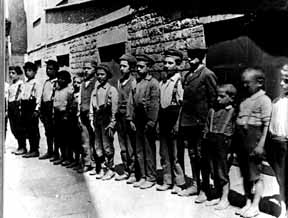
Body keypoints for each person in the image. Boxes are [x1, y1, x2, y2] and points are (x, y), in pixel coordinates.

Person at [178, 42, 218, 196]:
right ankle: (196, 185)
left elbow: (214, 101)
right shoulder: (188, 75)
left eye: (193, 56)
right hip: (189, 122)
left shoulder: (207, 74)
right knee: (193, 155)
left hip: (202, 123)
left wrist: (210, 124)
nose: (189, 59)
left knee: (203, 156)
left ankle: (206, 188)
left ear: (201, 57)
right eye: (189, 56)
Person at [235, 67, 272, 218]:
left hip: (254, 139)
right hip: (242, 139)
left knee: (255, 175)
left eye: (247, 83)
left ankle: (256, 205)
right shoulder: (245, 100)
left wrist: (261, 145)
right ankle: (248, 202)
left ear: (259, 83)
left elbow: (266, 125)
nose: (244, 86)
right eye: (243, 83)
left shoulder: (264, 100)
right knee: (245, 174)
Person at [196, 84, 237, 209]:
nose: (218, 99)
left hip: (224, 146)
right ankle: (218, 195)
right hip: (210, 144)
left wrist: (233, 151)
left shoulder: (233, 112)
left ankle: (225, 198)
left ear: (231, 98)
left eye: (222, 96)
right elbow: (205, 129)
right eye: (217, 96)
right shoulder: (212, 111)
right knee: (213, 171)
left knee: (222, 172)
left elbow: (236, 133)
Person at [127, 54, 160, 189]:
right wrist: (130, 118)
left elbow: (154, 104)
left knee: (148, 150)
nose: (138, 69)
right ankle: (143, 175)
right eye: (137, 67)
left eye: (142, 67)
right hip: (137, 119)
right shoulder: (136, 82)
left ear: (149, 67)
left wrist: (152, 121)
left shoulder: (153, 83)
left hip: (147, 120)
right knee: (139, 149)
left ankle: (151, 177)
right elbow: (131, 102)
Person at [156, 49, 186, 193]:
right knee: (164, 153)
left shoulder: (178, 81)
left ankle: (179, 182)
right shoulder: (163, 81)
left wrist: (177, 124)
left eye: (170, 63)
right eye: (165, 63)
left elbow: (182, 106)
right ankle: (167, 180)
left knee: (175, 154)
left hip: (174, 120)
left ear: (178, 65)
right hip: (163, 120)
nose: (166, 66)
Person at [266, 64, 288, 217]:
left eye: (286, 81)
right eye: (281, 80)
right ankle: (284, 205)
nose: (281, 84)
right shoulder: (276, 101)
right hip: (275, 144)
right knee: (280, 178)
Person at [89, 63, 118, 180]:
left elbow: (114, 109)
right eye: (98, 74)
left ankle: (110, 169)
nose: (100, 77)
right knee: (98, 145)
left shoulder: (112, 90)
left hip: (106, 120)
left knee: (107, 146)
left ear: (107, 75)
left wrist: (112, 123)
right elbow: (92, 105)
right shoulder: (95, 90)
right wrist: (91, 118)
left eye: (102, 74)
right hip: (97, 120)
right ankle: (101, 168)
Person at [114, 54, 138, 182]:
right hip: (119, 117)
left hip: (129, 116)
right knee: (122, 146)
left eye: (124, 66)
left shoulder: (133, 81)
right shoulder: (119, 81)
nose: (121, 68)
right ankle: (126, 169)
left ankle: (134, 172)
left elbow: (133, 101)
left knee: (130, 146)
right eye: (121, 66)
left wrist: (131, 118)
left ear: (131, 67)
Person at [78, 59, 99, 173]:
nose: (86, 71)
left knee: (95, 140)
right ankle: (87, 162)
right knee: (85, 140)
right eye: (84, 68)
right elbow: (80, 100)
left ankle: (97, 164)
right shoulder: (82, 83)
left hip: (93, 115)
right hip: (83, 114)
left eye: (89, 68)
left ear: (94, 70)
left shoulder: (96, 83)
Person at [53, 70, 74, 166]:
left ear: (67, 80)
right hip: (57, 115)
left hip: (65, 115)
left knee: (67, 138)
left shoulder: (69, 90)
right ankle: (63, 157)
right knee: (59, 137)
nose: (60, 80)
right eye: (59, 78)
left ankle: (69, 158)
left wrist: (66, 114)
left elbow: (70, 104)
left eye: (63, 79)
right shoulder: (57, 90)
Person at [39, 60, 58, 160]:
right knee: (48, 131)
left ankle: (56, 153)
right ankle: (49, 151)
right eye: (47, 68)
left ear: (56, 70)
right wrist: (41, 110)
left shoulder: (57, 82)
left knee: (55, 132)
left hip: (53, 108)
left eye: (50, 69)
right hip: (45, 108)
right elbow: (43, 96)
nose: (48, 71)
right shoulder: (46, 82)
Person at [21, 62, 41, 158]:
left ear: (35, 72)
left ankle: (35, 149)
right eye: (26, 70)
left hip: (31, 106)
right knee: (27, 129)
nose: (27, 73)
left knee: (33, 129)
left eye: (29, 70)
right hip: (25, 106)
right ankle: (30, 148)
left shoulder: (36, 83)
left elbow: (38, 97)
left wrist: (36, 110)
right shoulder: (26, 83)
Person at [7, 66, 25, 155]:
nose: (11, 75)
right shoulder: (12, 85)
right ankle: (19, 146)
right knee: (13, 128)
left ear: (18, 74)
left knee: (19, 128)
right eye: (10, 73)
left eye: (13, 73)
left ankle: (23, 147)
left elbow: (22, 95)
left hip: (17, 106)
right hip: (11, 106)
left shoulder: (20, 84)